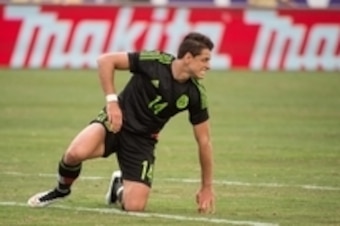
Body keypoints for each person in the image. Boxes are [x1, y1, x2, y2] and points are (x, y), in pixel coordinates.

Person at [27, 32, 215, 214]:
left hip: (142, 141)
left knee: (135, 207)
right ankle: (61, 190)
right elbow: (105, 60)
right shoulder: (155, 61)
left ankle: (118, 188)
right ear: (188, 57)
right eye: (205, 60)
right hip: (115, 122)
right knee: (74, 153)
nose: (209, 66)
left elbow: (204, 141)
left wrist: (206, 187)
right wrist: (112, 102)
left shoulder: (196, 94)